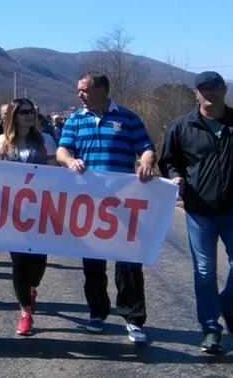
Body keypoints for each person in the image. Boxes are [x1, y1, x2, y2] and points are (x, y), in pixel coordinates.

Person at [159, 71, 233, 355]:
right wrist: (175, 177)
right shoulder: (181, 126)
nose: (209, 93)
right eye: (203, 89)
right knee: (204, 271)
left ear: (225, 90)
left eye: (214, 88)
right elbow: (168, 160)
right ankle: (211, 329)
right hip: (199, 210)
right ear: (196, 94)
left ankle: (229, 304)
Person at [56, 72, 157, 344]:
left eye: (85, 90)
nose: (79, 95)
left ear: (103, 89)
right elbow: (62, 150)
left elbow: (146, 147)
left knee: (129, 264)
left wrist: (146, 161)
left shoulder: (128, 118)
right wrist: (69, 161)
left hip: (123, 203)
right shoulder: (75, 119)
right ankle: (97, 312)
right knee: (92, 263)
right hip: (89, 203)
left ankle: (133, 319)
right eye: (78, 90)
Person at [0, 98, 57, 336]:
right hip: (13, 213)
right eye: (24, 112)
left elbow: (56, 173)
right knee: (18, 263)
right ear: (14, 116)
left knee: (38, 264)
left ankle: (32, 287)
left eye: (32, 111)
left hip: (41, 212)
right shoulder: (1, 143)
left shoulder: (46, 141)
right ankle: (25, 313)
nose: (29, 115)